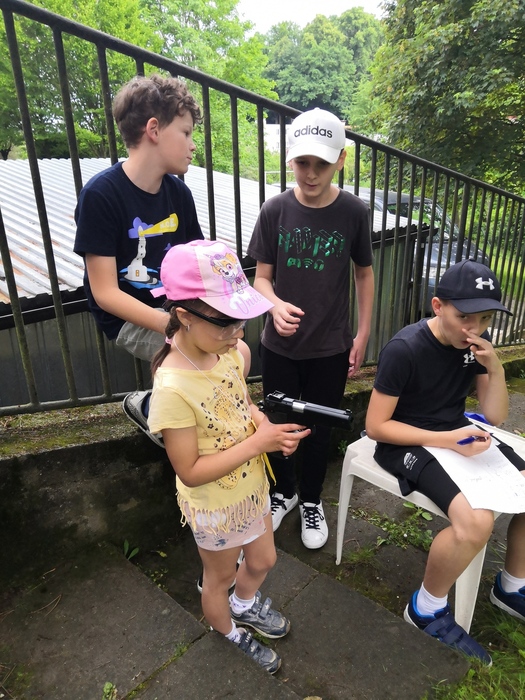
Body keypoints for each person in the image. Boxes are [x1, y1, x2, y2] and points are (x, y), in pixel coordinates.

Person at [147, 239, 311, 673]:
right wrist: (258, 444)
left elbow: (244, 404)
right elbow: (189, 470)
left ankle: (245, 602)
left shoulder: (229, 354)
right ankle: (229, 630)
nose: (238, 334)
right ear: (184, 315)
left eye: (241, 320)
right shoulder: (173, 389)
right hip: (216, 508)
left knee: (264, 559)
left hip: (251, 488)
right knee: (218, 578)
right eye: (225, 322)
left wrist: (263, 426)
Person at [365, 258, 525, 665]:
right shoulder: (405, 348)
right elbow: (376, 426)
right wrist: (448, 441)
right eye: (464, 317)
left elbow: (494, 416)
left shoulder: (476, 349)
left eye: (486, 319)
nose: (475, 329)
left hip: (455, 433)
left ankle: (511, 586)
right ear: (438, 306)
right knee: (476, 522)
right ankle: (426, 608)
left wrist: (495, 367)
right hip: (405, 440)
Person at [247, 108, 374, 549]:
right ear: (290, 159)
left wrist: (362, 333)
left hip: (330, 347)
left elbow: (363, 273)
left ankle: (312, 499)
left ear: (341, 159)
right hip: (279, 347)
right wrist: (275, 304)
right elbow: (261, 278)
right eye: (303, 162)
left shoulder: (354, 212)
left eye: (322, 162)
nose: (312, 173)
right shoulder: (275, 210)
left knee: (319, 428)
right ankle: (284, 492)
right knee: (278, 424)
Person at [74, 73, 204, 447]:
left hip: (173, 306)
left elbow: (195, 263)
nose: (193, 145)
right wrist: (174, 325)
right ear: (154, 129)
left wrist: (214, 314)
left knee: (237, 351)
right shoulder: (101, 195)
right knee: (199, 356)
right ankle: (153, 410)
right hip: (127, 315)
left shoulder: (179, 194)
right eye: (186, 132)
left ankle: (165, 409)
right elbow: (105, 294)